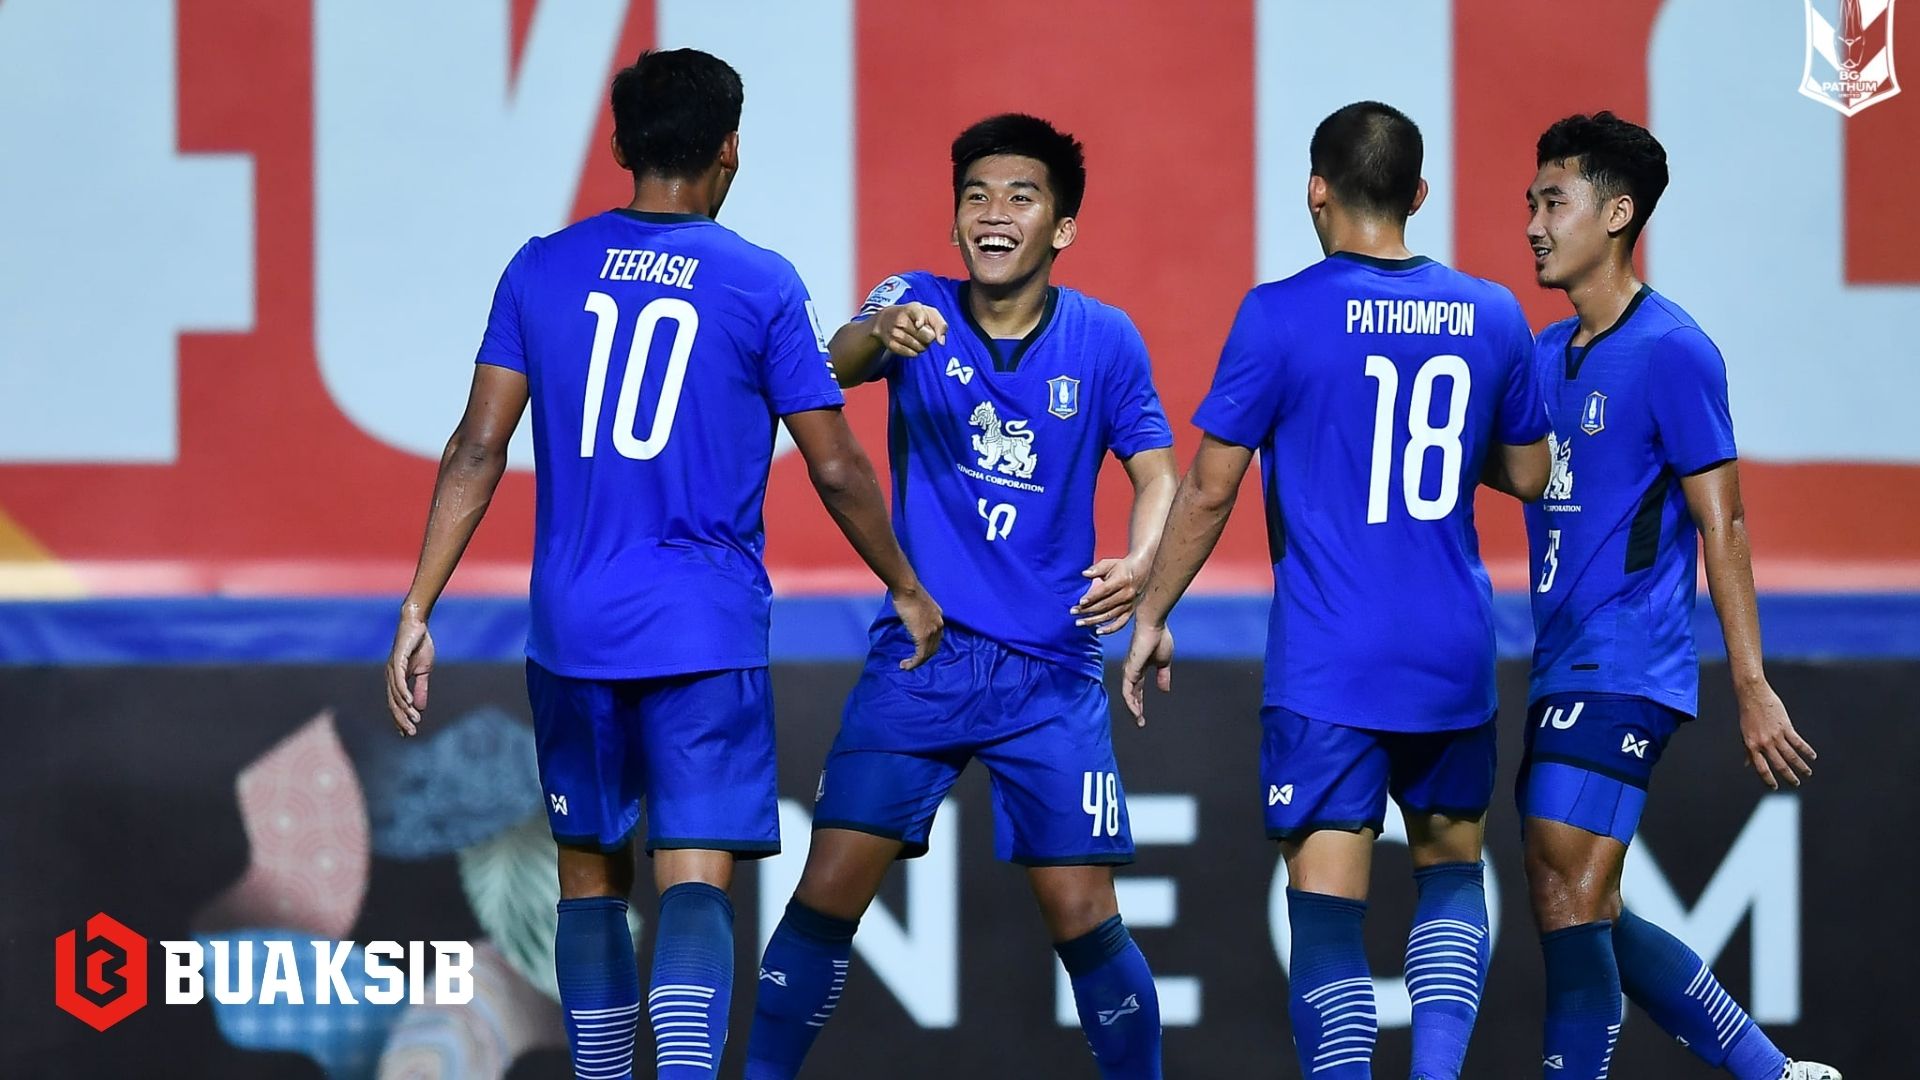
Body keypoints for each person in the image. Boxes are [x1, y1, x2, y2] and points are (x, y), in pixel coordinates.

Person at [382, 48, 941, 1080]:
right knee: (693, 878)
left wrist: (420, 604)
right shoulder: (760, 282)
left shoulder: (541, 267)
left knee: (589, 878)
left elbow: (476, 447)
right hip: (702, 629)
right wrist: (905, 584)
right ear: (730, 149)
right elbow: (835, 464)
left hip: (573, 630)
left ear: (621, 146)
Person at [1122, 101, 1550, 1080]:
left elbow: (1210, 489)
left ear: (1316, 189)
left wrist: (1152, 612)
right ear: (1419, 194)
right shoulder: (1492, 313)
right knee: (1452, 875)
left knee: (1325, 913)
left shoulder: (1279, 313)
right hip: (1452, 649)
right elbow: (1530, 474)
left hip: (1330, 660)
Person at [746, 114, 1178, 1079]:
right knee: (826, 893)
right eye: (976, 196)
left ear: (1062, 227)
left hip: (1050, 669)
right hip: (925, 656)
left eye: (1021, 197)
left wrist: (1144, 560)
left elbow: (1158, 473)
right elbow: (827, 365)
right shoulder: (913, 302)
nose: (994, 214)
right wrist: (876, 333)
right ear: (954, 221)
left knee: (1085, 915)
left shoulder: (1105, 339)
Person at [1518, 111, 1838, 1080]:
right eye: (1531, 203)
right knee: (1579, 901)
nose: (1533, 225)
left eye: (1554, 203)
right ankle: (1771, 1073)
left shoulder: (1673, 350)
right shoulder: (1545, 353)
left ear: (1617, 214)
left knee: (1569, 891)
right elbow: (1514, 471)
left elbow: (1723, 522)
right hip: (1559, 657)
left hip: (1628, 658)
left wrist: (1751, 683)